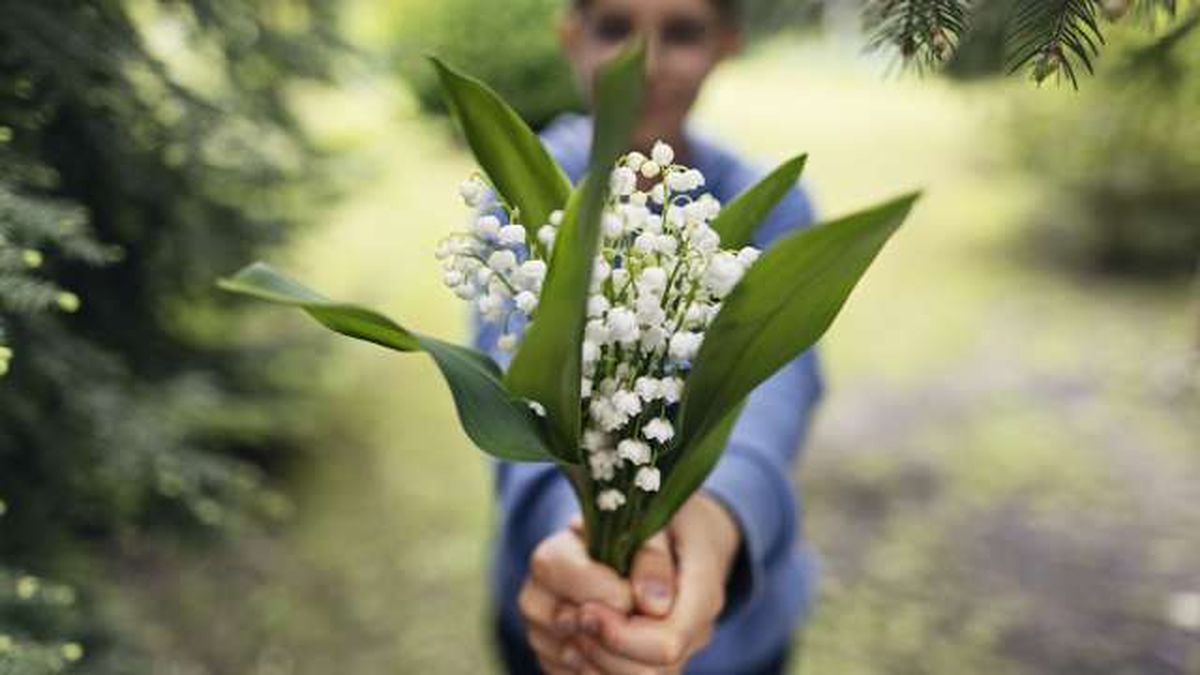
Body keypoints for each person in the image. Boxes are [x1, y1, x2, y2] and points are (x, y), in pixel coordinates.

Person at [471, 0, 825, 672]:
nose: (646, 63)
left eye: (683, 33)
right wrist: (573, 551)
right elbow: (516, 390)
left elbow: (777, 390)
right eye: (614, 30)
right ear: (571, 38)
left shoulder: (766, 202)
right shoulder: (526, 188)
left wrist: (720, 518)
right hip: (560, 608)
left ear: (727, 44)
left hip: (733, 633)